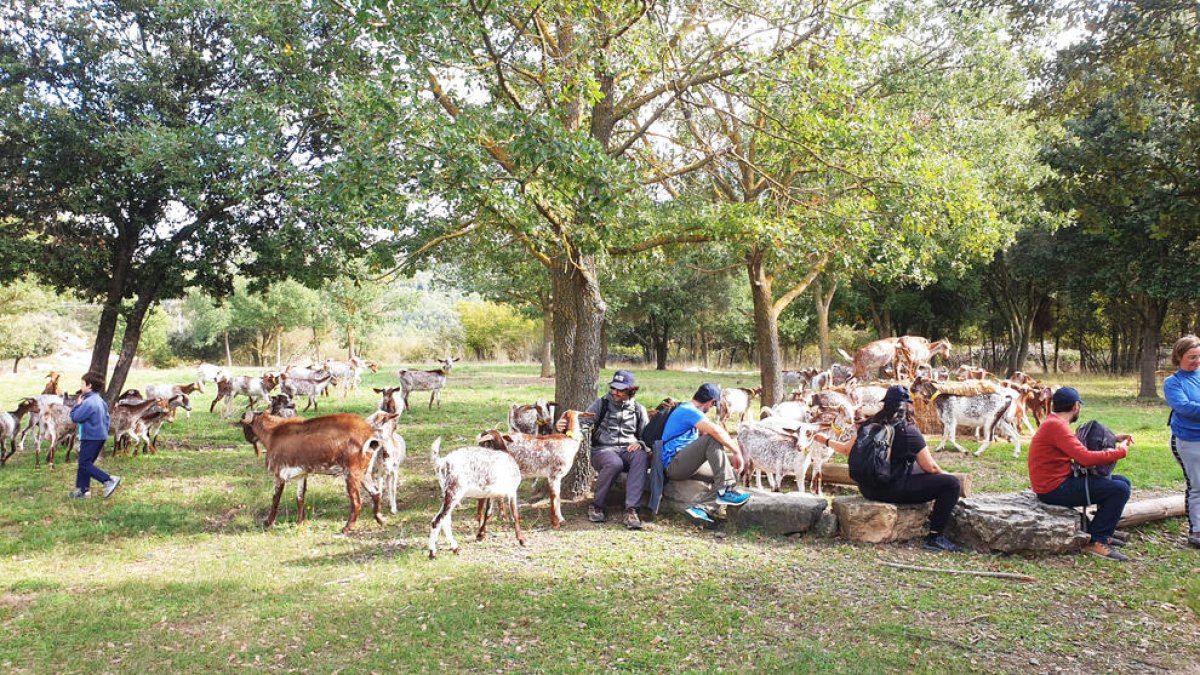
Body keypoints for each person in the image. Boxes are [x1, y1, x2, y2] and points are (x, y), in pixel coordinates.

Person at [814, 385, 964, 553]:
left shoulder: (868, 424)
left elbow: (847, 450)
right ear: (908, 405)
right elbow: (931, 467)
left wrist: (826, 441)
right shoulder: (909, 430)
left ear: (885, 404)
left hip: (868, 488)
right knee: (951, 484)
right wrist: (948, 477)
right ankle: (936, 537)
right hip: (891, 490)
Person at [1028, 386, 1133, 561]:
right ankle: (1096, 541)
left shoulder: (1054, 422)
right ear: (1076, 406)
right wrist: (1120, 452)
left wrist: (1114, 439)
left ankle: (1101, 532)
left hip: (1056, 482)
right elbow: (1085, 458)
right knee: (1119, 490)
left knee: (1123, 482)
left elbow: (1072, 443)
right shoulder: (1056, 426)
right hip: (1054, 489)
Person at [659, 383, 750, 524]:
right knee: (711, 439)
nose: (712, 408)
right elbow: (715, 432)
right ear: (711, 402)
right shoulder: (688, 410)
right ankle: (725, 491)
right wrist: (736, 451)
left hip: (687, 464)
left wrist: (731, 459)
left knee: (732, 472)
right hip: (674, 464)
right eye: (714, 405)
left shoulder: (692, 412)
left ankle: (702, 509)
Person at [575, 370, 651, 530]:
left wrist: (641, 443)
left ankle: (631, 510)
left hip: (627, 449)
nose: (615, 392)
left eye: (620, 390)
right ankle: (596, 506)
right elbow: (583, 423)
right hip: (602, 450)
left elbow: (646, 435)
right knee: (614, 463)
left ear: (631, 391)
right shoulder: (601, 404)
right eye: (613, 388)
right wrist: (565, 426)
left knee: (641, 457)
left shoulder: (639, 409)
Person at [1163, 335, 1200, 548]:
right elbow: (1185, 408)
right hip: (1188, 440)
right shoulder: (1173, 382)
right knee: (1197, 485)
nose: (1197, 361)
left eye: (1199, 357)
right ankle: (1196, 530)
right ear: (1178, 356)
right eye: (1192, 357)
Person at [68, 371, 121, 499]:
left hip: (91, 437)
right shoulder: (100, 400)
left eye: (82, 384)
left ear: (89, 386)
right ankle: (82, 491)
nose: (81, 386)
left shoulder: (89, 402)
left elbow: (75, 417)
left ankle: (108, 480)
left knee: (84, 463)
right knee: (85, 463)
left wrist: (76, 405)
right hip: (100, 436)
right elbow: (107, 418)